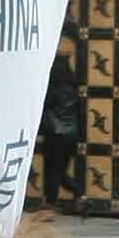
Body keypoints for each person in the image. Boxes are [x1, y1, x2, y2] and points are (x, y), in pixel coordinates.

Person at [36, 44, 89, 209]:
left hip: (55, 135)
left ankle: (50, 204)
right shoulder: (73, 90)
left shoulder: (53, 90)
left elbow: (43, 108)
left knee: (52, 171)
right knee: (60, 171)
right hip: (71, 136)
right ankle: (80, 194)